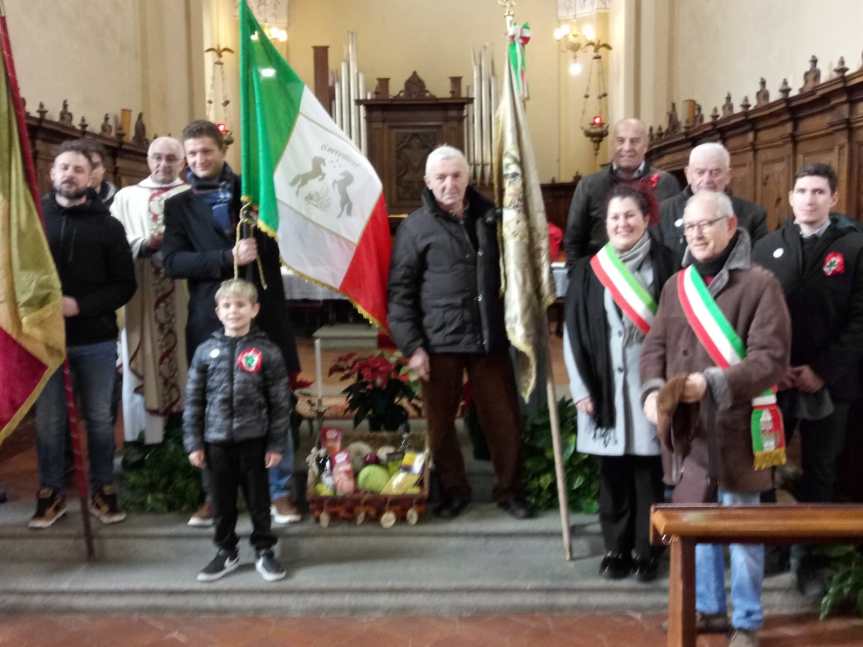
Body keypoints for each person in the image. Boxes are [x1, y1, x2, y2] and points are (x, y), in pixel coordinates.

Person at [640, 191, 790, 647]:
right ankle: (707, 610)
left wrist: (713, 384)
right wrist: (651, 393)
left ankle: (745, 621)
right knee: (696, 528)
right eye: (689, 227)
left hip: (739, 427)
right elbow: (655, 348)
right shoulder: (675, 285)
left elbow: (772, 360)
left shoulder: (761, 284)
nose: (697, 234)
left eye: (706, 224)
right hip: (691, 432)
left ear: (730, 226)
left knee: (743, 531)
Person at [162, 120, 301, 528]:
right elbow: (172, 262)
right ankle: (215, 494)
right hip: (211, 319)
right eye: (192, 154)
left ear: (223, 149)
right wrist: (227, 257)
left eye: (207, 151)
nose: (200, 160)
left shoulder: (255, 192)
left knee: (274, 402)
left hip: (263, 315)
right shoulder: (178, 205)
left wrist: (266, 224)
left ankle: (280, 492)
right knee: (212, 406)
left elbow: (286, 242)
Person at [388, 145, 530, 520]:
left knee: (503, 420)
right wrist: (413, 347)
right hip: (438, 343)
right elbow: (400, 293)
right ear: (428, 182)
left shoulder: (493, 219)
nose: (450, 183)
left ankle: (510, 490)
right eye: (441, 177)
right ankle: (453, 489)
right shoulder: (415, 227)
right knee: (439, 425)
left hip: (489, 338)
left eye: (456, 175)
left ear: (468, 177)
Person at [752, 163, 863, 598]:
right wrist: (771, 366)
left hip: (830, 382)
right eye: (802, 190)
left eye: (819, 191)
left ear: (833, 199)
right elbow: (752, 314)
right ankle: (771, 546)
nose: (810, 198)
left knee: (821, 471)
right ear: (791, 196)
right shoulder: (766, 247)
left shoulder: (854, 247)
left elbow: (859, 320)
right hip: (773, 383)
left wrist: (822, 370)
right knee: (767, 465)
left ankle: (809, 558)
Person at [563, 184, 675, 582]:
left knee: (649, 474)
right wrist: (579, 389)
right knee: (612, 475)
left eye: (630, 215)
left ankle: (648, 551)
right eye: (614, 217)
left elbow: (679, 331)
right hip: (603, 390)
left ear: (646, 219)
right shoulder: (589, 271)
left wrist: (669, 389)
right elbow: (572, 333)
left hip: (649, 390)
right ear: (604, 224)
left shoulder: (668, 265)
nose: (622, 223)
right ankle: (616, 549)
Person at [30, 140, 136, 529]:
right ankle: (51, 492)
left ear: (90, 177)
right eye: (63, 168)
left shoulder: (108, 225)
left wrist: (81, 305)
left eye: (78, 169)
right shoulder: (34, 220)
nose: (69, 175)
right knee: (50, 420)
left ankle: (102, 489)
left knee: (97, 418)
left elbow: (125, 285)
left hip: (95, 337)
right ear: (51, 173)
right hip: (45, 340)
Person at [183, 278, 289, 582]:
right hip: (216, 441)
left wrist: (276, 444)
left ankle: (264, 551)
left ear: (254, 309)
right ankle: (226, 551)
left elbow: (280, 402)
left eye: (241, 305)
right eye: (227, 305)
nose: (234, 311)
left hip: (254, 439)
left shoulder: (267, 351)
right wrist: (194, 443)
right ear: (217, 311)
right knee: (222, 501)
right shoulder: (205, 352)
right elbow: (193, 400)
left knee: (258, 501)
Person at [110, 136, 190, 445]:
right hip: (139, 296)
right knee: (140, 364)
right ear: (147, 159)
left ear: (182, 162)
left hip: (184, 294)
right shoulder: (127, 197)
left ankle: (185, 445)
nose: (163, 164)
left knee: (186, 357)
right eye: (157, 157)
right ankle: (144, 445)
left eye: (171, 158)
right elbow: (115, 242)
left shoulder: (192, 194)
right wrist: (144, 243)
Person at [564, 118, 680, 265]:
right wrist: (578, 277)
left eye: (634, 141)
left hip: (653, 273)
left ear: (645, 146)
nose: (627, 147)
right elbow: (574, 241)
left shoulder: (666, 183)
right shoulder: (589, 185)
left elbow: (675, 236)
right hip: (601, 273)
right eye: (620, 141)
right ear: (612, 144)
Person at [656, 142, 768, 261]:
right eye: (700, 172)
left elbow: (759, 261)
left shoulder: (752, 214)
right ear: (688, 174)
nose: (707, 180)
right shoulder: (662, 212)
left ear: (728, 175)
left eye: (715, 172)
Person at [82, 139, 117, 207]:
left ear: (103, 169)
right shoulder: (61, 201)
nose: (90, 171)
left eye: (94, 166)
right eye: (83, 166)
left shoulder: (119, 200)